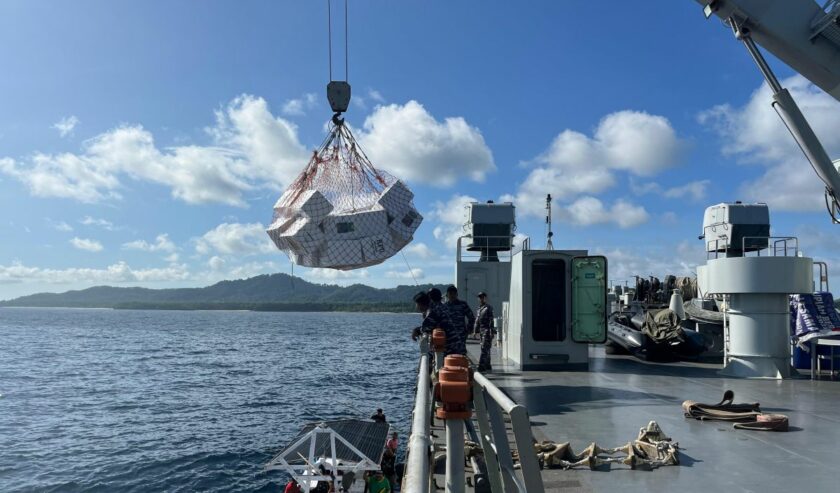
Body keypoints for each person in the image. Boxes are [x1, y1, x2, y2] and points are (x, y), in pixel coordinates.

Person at [410, 291, 464, 355]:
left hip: (450, 347)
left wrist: (416, 331)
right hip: (457, 344)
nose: (417, 307)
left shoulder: (432, 311)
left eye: (417, 304)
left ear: (420, 304)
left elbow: (425, 328)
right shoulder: (438, 306)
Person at [475, 292, 496, 371]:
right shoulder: (479, 308)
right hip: (481, 330)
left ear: (485, 298)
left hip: (487, 330)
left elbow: (491, 320)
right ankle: (487, 365)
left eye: (482, 297)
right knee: (485, 348)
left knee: (484, 348)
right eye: (479, 297)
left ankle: (481, 366)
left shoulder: (488, 308)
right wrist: (475, 331)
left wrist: (491, 331)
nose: (481, 299)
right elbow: (477, 321)